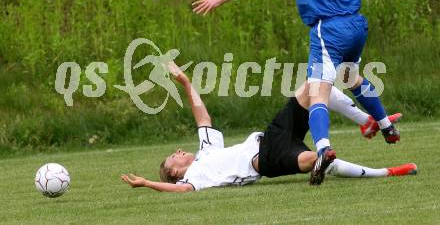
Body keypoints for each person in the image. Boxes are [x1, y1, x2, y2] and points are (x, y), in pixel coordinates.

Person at [192, 0, 405, 185]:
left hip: (328, 29)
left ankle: (324, 148)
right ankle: (385, 125)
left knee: (317, 90)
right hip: (356, 25)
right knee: (351, 77)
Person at [121, 62, 416, 192]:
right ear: (173, 173)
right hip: (267, 162)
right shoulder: (194, 179)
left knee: (313, 85)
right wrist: (148, 183)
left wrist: (186, 83)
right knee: (320, 158)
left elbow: (203, 117)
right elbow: (180, 192)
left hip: (271, 137)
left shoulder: (205, 151)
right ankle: (388, 172)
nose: (178, 151)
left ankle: (366, 122)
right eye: (173, 157)